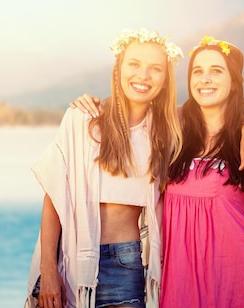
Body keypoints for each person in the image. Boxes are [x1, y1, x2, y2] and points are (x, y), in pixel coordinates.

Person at [24, 28, 184, 308]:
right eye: (134, 64)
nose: (143, 76)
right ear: (118, 68)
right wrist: (48, 269)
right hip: (72, 258)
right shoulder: (82, 119)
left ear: (166, 78)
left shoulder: (169, 130)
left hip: (128, 264)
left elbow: (224, 114)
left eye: (155, 68)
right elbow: (53, 198)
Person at [160, 36, 244, 307]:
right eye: (197, 71)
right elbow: (132, 108)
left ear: (234, 81)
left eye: (216, 70)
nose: (205, 79)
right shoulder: (172, 130)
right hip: (179, 280)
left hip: (238, 278)